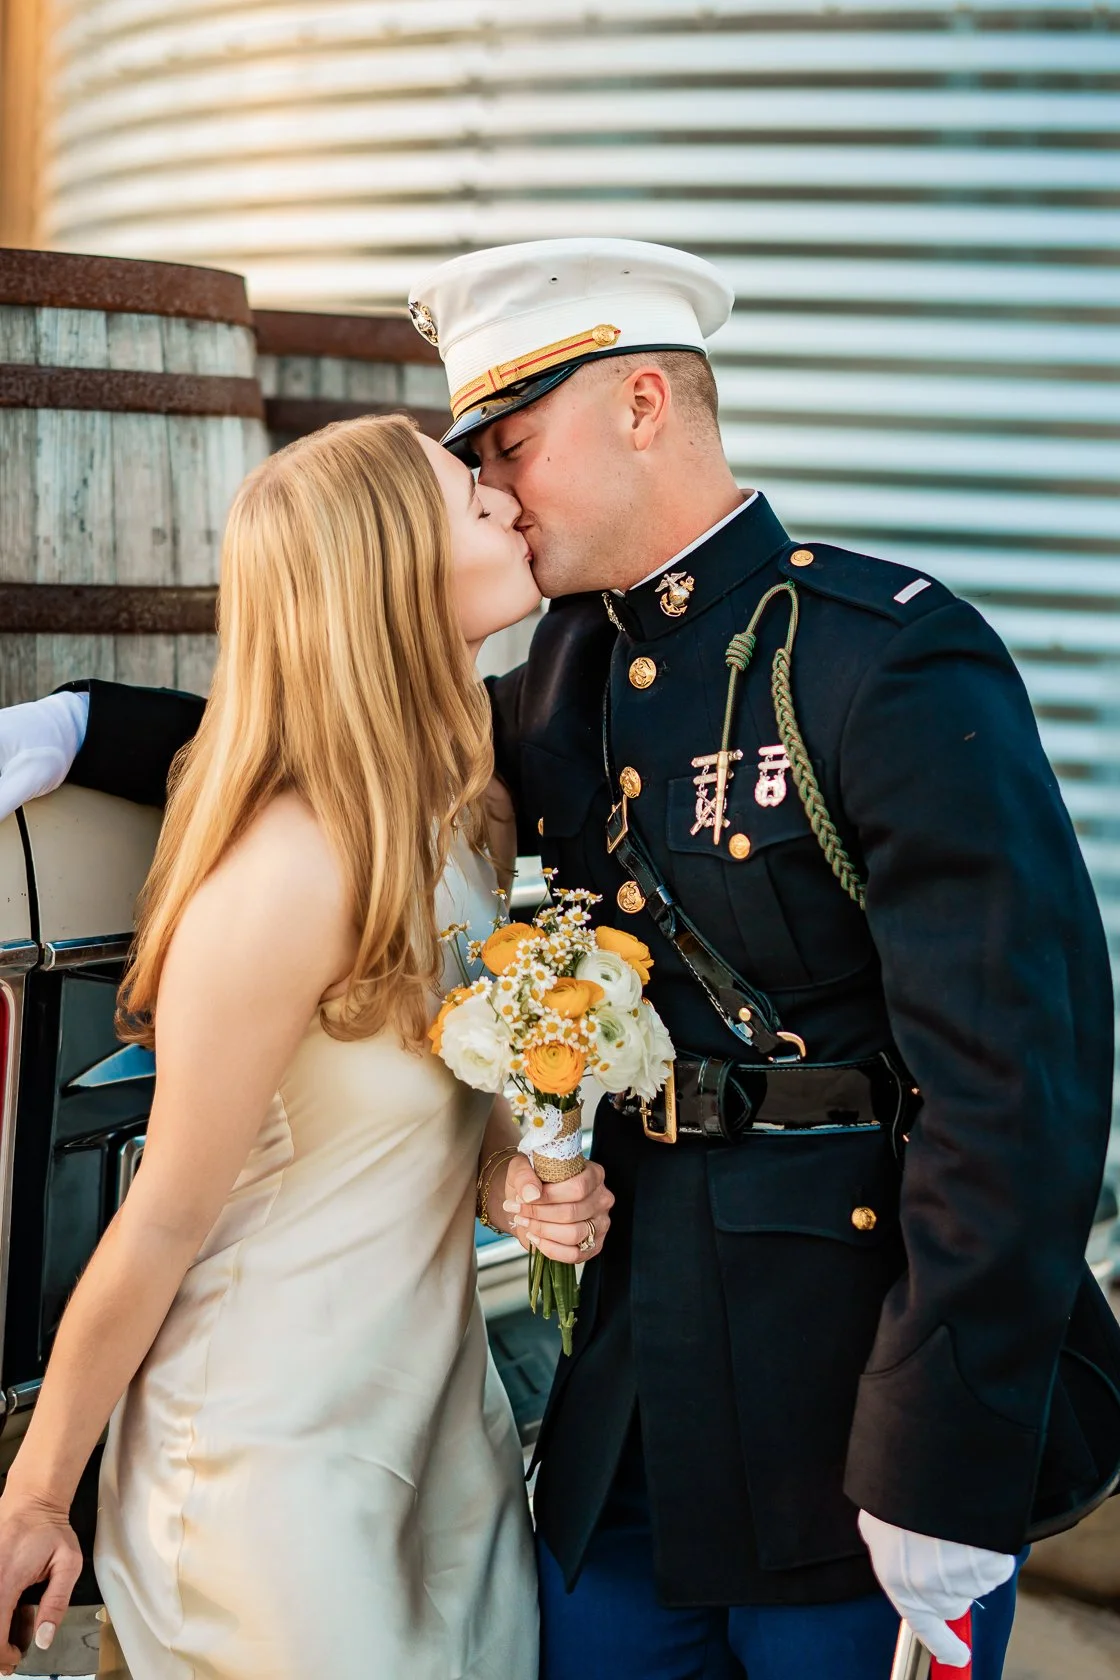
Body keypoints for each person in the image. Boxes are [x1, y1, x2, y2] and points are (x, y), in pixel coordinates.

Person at [1, 239, 1118, 1680]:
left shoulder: (881, 666)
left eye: (512, 445)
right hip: (630, 1432)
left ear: (644, 403)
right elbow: (349, 724)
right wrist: (91, 726)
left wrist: (944, 1456)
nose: (500, 491)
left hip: (850, 1417)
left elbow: (1018, 1089)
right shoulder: (574, 679)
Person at [0, 414, 615, 1679]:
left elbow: (444, 1113)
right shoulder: (284, 872)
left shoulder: (464, 821)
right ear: (384, 572)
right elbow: (161, 1222)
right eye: (466, 497)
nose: (504, 501)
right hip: (267, 1475)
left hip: (445, 1451)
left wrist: (516, 1182)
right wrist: (36, 1495)